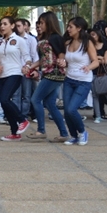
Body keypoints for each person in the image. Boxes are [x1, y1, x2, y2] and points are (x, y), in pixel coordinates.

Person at [25, 12, 69, 142]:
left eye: (42, 22)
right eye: (39, 23)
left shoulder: (55, 38)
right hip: (48, 73)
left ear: (49, 23)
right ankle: (63, 133)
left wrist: (62, 62)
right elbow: (43, 59)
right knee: (50, 104)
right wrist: (31, 67)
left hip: (54, 73)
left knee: (35, 99)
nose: (39, 25)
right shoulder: (44, 38)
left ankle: (41, 130)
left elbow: (61, 54)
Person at [58, 17, 99, 146]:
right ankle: (74, 136)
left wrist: (88, 67)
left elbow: (96, 61)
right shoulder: (68, 43)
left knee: (71, 109)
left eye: (71, 26)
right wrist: (63, 63)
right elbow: (66, 61)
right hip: (69, 80)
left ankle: (82, 132)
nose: (68, 29)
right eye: (68, 26)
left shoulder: (87, 43)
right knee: (67, 110)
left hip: (83, 81)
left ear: (79, 28)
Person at [0, 16, 31, 141]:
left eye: (5, 24)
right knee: (4, 104)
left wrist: (27, 66)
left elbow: (27, 56)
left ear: (12, 25)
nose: (2, 26)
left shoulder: (19, 40)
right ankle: (14, 133)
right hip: (1, 75)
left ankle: (22, 120)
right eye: (1, 24)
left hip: (15, 73)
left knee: (5, 99)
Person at [13, 18, 39, 120]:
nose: (17, 28)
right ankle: (15, 116)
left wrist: (34, 69)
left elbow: (35, 56)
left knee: (26, 95)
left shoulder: (31, 39)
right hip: (15, 70)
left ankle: (23, 116)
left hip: (27, 69)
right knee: (15, 95)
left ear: (25, 26)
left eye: (19, 26)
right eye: (15, 26)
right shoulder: (12, 39)